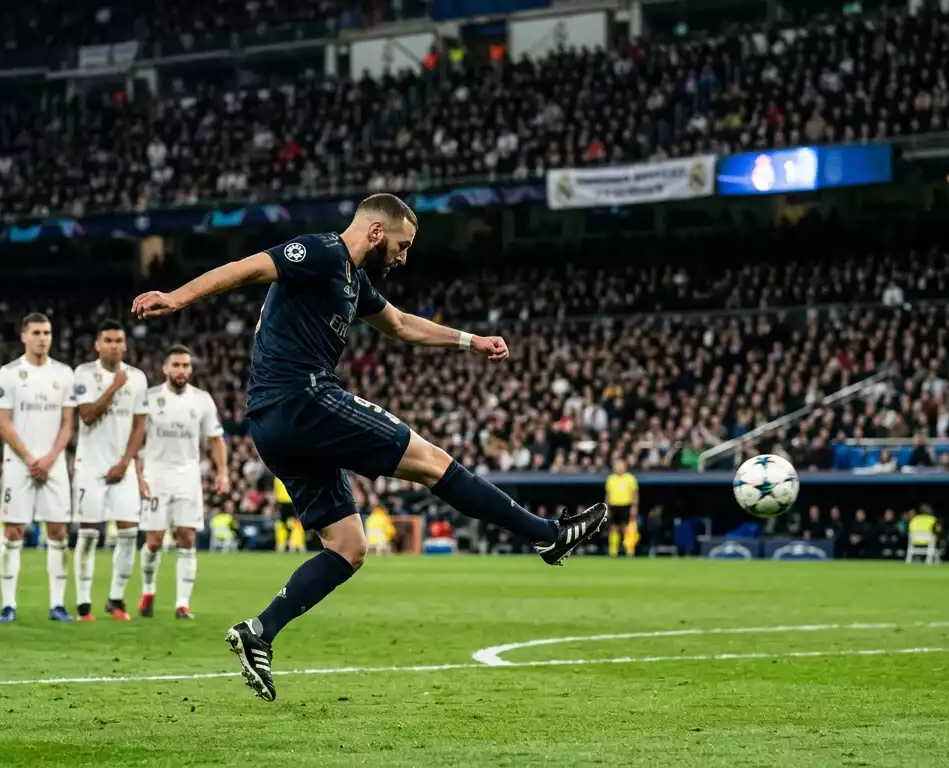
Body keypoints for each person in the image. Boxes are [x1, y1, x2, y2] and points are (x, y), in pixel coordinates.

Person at [131, 192, 607, 702]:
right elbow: (249, 268)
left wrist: (470, 340)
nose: (404, 259)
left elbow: (402, 325)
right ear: (377, 232)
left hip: (273, 426)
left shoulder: (354, 284)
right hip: (302, 397)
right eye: (402, 246)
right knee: (432, 461)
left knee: (349, 548)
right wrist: (177, 297)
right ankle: (546, 535)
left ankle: (259, 632)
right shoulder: (321, 252)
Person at [0, 313, 77, 622]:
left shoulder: (64, 373)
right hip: (19, 463)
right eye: (37, 332)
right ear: (24, 336)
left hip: (53, 464)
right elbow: (2, 422)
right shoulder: (9, 373)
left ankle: (57, 604)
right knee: (13, 531)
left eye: (47, 332)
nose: (43, 338)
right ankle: (8, 605)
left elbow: (69, 423)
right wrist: (30, 458)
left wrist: (51, 457)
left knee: (58, 531)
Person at [137, 344, 228, 620]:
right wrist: (138, 474)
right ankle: (148, 591)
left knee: (187, 538)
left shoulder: (202, 400)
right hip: (155, 475)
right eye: (175, 365)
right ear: (165, 368)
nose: (181, 370)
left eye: (185, 365)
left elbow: (215, 438)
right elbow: (135, 439)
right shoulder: (149, 398)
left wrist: (222, 471)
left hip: (188, 477)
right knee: (153, 541)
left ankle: (182, 604)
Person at [72, 320, 149, 621]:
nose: (114, 345)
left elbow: (140, 424)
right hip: (89, 466)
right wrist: (113, 387)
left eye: (119, 340)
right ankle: (83, 605)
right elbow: (87, 415)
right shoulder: (84, 374)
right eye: (108, 340)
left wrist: (125, 462)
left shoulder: (139, 378)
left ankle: (116, 600)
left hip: (123, 466)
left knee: (129, 533)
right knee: (89, 534)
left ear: (125, 345)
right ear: (97, 344)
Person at [604, 459, 638, 557]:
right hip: (614, 505)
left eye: (621, 466)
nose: (619, 468)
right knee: (613, 528)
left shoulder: (630, 478)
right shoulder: (611, 479)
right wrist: (607, 508)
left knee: (626, 528)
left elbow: (635, 494)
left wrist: (634, 507)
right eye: (617, 466)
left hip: (626, 505)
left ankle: (629, 550)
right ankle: (613, 551)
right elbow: (608, 494)